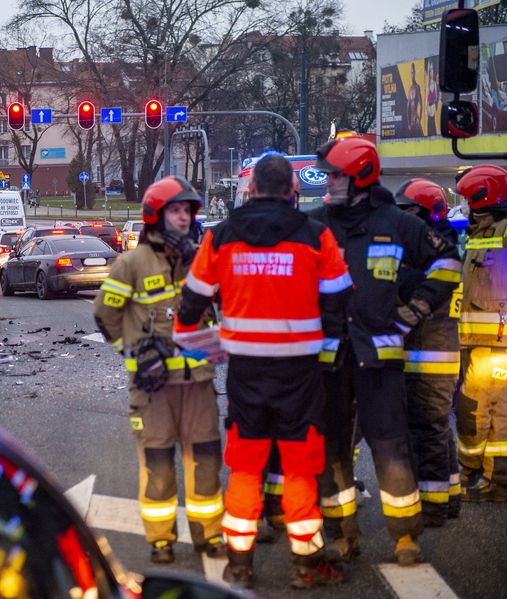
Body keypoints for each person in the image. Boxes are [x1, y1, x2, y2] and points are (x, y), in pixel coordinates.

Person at [173, 154, 352, 589]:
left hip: (245, 374)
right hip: (299, 373)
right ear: (293, 190)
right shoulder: (316, 235)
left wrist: (192, 341)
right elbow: (340, 299)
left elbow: (192, 304)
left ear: (250, 189)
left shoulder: (221, 237)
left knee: (247, 467)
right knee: (298, 468)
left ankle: (240, 565)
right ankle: (305, 565)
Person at [310, 136, 461, 566]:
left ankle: (405, 537)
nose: (329, 182)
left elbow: (448, 260)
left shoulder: (398, 223)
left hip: (379, 359)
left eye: (336, 175)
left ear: (358, 177)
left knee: (391, 448)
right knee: (334, 450)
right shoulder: (317, 223)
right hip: (331, 358)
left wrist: (416, 309)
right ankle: (342, 534)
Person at [92, 176, 225, 564]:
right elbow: (104, 314)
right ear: (155, 215)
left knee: (205, 461)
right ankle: (161, 539)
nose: (183, 218)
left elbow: (224, 300)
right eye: (176, 210)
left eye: (187, 211)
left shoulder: (201, 259)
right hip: (153, 388)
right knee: (159, 463)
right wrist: (133, 353)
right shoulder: (131, 263)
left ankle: (208, 534)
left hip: (199, 382)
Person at [393, 179, 462, 524]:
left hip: (430, 353)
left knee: (428, 429)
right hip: (434, 351)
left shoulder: (433, 253)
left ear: (422, 212)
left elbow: (406, 290)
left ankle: (434, 507)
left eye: (406, 211)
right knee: (435, 429)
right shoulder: (440, 245)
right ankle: (449, 497)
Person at [453, 165, 507, 502]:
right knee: (491, 411)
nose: (465, 208)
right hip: (477, 341)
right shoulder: (484, 232)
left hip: (495, 344)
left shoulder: (501, 233)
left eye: (469, 201)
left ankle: (489, 477)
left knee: (477, 409)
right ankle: (488, 476)